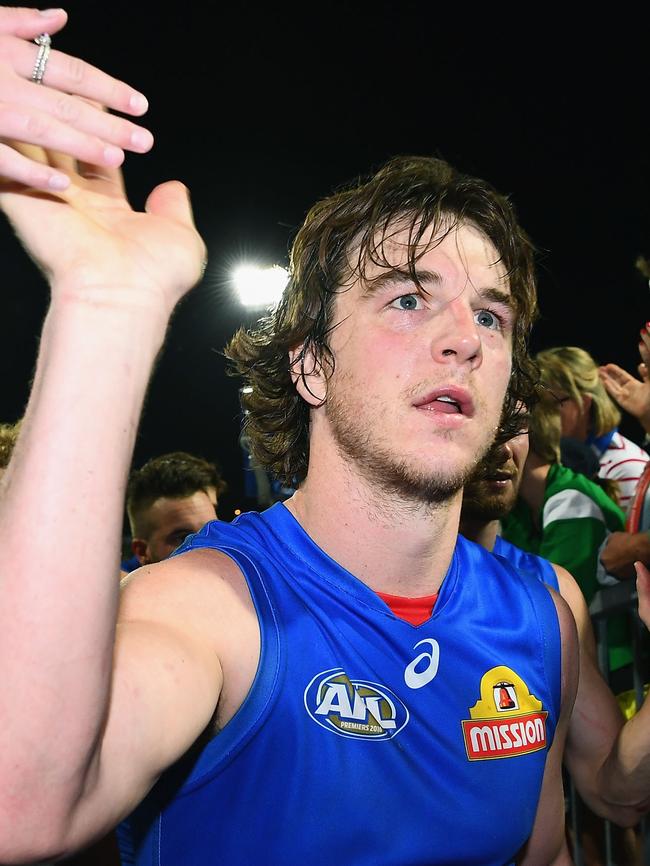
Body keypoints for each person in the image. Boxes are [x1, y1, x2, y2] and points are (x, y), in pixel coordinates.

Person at [0, 17, 579, 866]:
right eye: (407, 300)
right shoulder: (213, 609)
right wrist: (104, 304)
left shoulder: (539, 617)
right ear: (310, 368)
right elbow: (23, 800)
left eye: (491, 314)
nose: (466, 337)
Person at [461, 432, 650, 862]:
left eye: (517, 424)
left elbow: (613, 793)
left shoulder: (552, 589)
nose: (503, 446)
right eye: (487, 421)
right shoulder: (362, 582)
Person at [501, 393, 634, 683]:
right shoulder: (518, 510)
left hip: (614, 676)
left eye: (504, 433)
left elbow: (546, 608)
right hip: (570, 671)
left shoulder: (572, 500)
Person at [536, 345, 649, 514]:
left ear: (584, 404)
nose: (538, 414)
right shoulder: (548, 460)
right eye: (536, 404)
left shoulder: (629, 469)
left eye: (550, 404)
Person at [123, 451, 225, 570]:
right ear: (142, 552)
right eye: (184, 538)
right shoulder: (115, 585)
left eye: (212, 532)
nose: (209, 548)